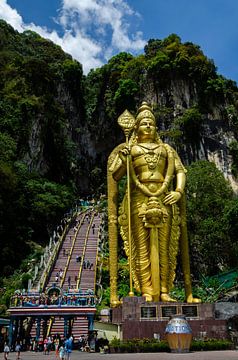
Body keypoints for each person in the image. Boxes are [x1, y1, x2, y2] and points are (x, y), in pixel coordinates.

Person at [108, 102, 200, 305]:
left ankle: (165, 289)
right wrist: (124, 159)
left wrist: (178, 191)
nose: (148, 126)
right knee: (141, 247)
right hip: (139, 200)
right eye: (144, 123)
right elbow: (115, 176)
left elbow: (180, 171)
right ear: (136, 128)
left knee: (165, 247)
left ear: (156, 127)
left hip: (164, 197)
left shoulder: (166, 149)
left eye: (151, 123)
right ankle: (146, 291)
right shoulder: (131, 149)